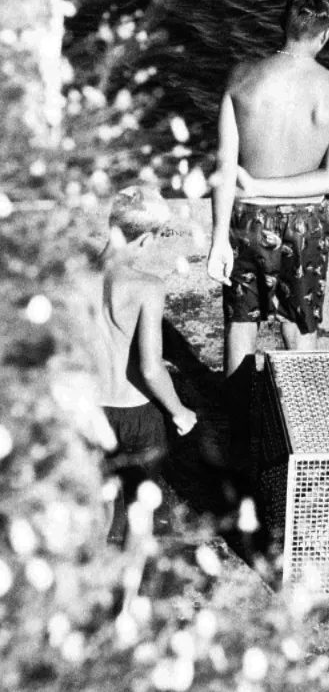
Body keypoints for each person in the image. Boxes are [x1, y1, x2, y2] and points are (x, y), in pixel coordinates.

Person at [208, 0, 329, 430]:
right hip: (306, 226)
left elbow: (224, 166)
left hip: (246, 220)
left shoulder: (242, 78)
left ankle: (237, 427)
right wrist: (275, 192)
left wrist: (219, 238)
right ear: (324, 36)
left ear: (283, 26)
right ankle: (297, 426)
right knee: (300, 324)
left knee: (241, 323)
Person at [95, 185, 197, 543]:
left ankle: (91, 589)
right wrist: (179, 412)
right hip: (136, 416)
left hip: (92, 411)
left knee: (100, 508)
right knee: (140, 514)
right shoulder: (147, 287)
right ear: (144, 240)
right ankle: (126, 601)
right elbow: (151, 368)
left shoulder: (74, 274)